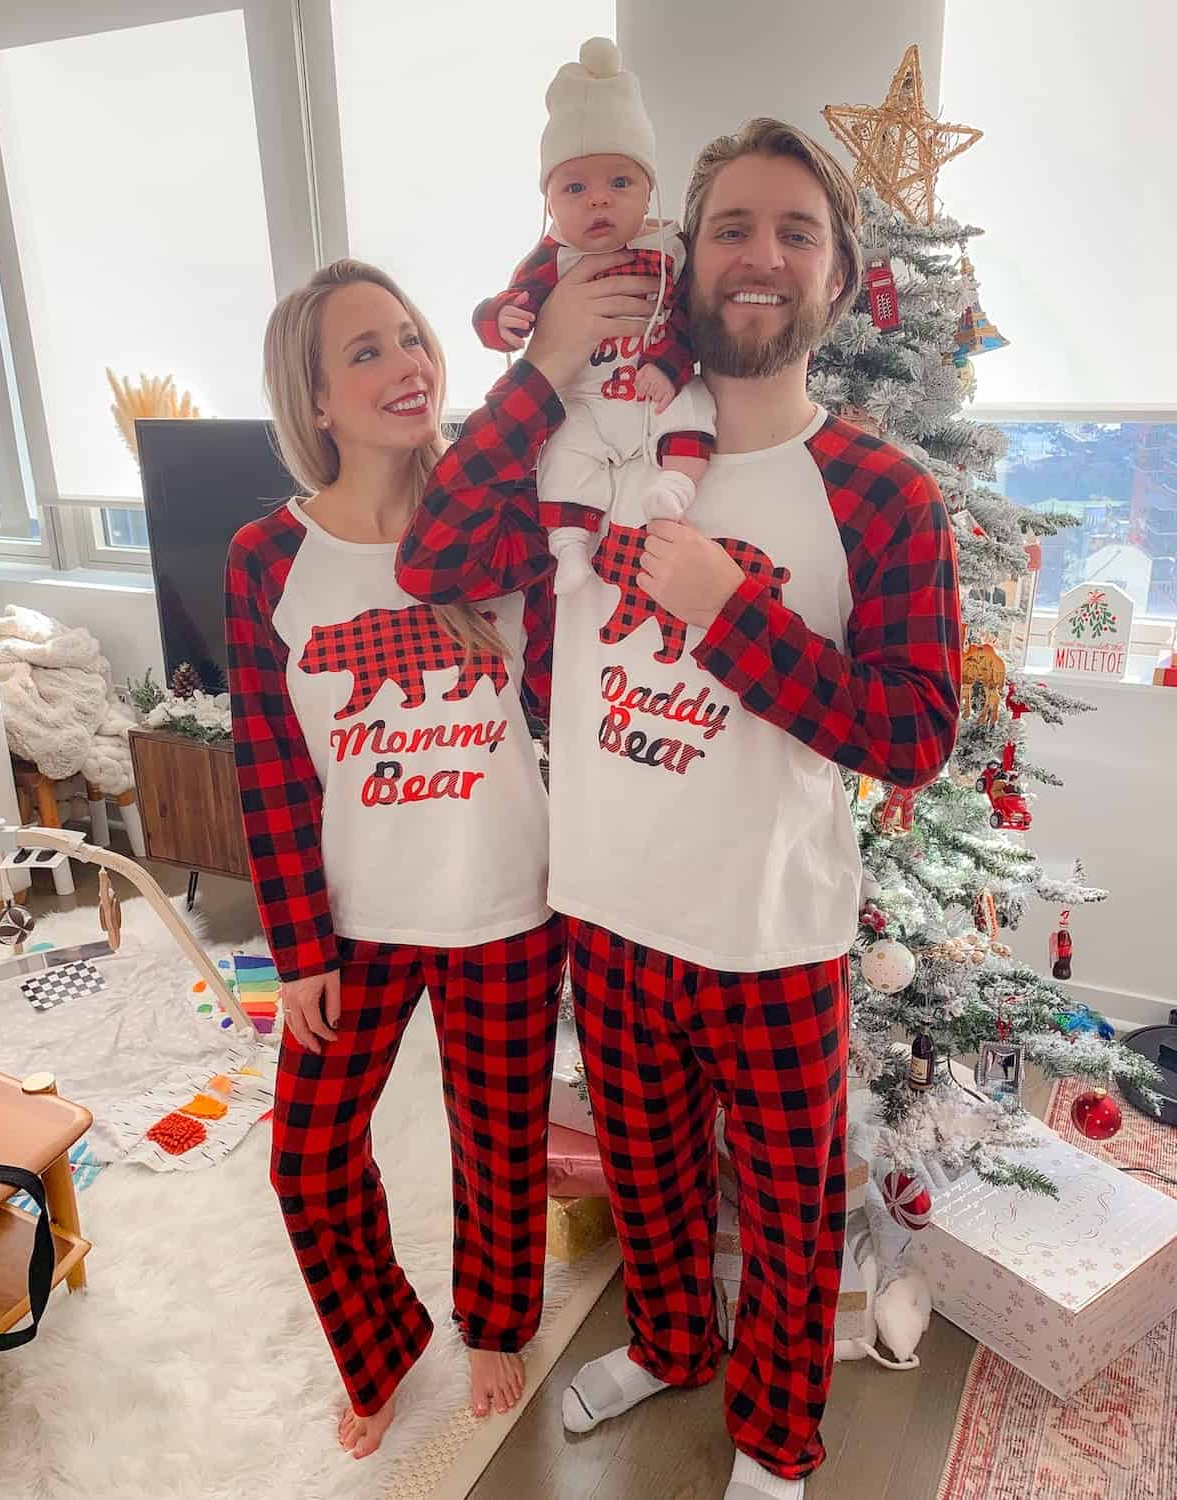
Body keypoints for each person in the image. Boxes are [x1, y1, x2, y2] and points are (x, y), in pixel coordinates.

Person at [397, 119, 962, 1500]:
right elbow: (434, 556)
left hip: (771, 937)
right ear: (683, 258)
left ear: (837, 279)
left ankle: (776, 1443)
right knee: (646, 1184)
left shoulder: (881, 492)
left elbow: (913, 734)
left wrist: (728, 615)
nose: (761, 256)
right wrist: (537, 365)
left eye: (796, 232)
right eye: (731, 228)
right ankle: (665, 1343)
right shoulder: (591, 456)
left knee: (781, 1220)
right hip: (611, 908)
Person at [224, 259, 576, 1460]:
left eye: (414, 340)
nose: (408, 365)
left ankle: (495, 1322)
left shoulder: (497, 520)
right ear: (313, 399)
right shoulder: (266, 558)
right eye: (365, 351)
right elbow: (269, 767)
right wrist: (294, 950)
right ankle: (380, 1344)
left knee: (499, 1136)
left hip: (505, 900)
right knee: (307, 1162)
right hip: (354, 918)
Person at [473, 37, 715, 595]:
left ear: (648, 189)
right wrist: (500, 318)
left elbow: (688, 319)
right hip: (587, 398)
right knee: (563, 451)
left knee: (696, 405)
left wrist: (672, 363)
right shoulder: (550, 260)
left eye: (619, 183)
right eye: (575, 188)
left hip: (652, 385)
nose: (598, 201)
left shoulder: (672, 249)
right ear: (551, 202)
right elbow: (507, 306)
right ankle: (570, 548)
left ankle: (674, 488)